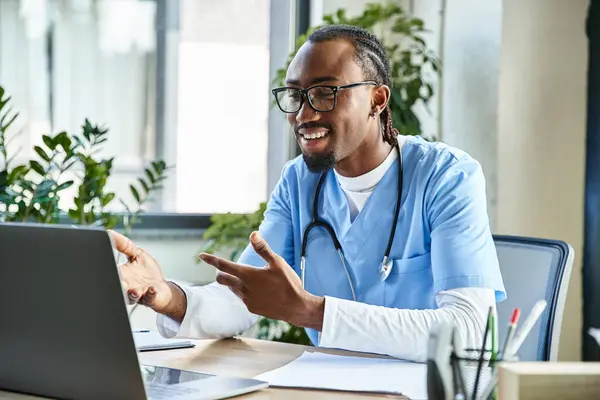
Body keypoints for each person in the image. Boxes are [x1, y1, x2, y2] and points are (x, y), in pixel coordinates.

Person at [112, 24, 506, 362]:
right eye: (296, 95)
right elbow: (240, 298)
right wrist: (165, 295)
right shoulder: (300, 181)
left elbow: (471, 331)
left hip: (423, 387)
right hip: (330, 383)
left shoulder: (446, 176)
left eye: (325, 93)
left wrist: (312, 313)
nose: (304, 113)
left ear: (377, 99)